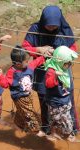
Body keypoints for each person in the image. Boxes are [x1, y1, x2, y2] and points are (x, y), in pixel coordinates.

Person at [22, 5, 78, 135]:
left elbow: (73, 49)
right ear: (44, 21)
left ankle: (72, 130)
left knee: (67, 99)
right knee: (44, 100)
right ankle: (47, 128)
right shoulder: (35, 29)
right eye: (49, 25)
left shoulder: (65, 30)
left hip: (62, 72)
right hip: (42, 72)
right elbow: (24, 48)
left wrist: (62, 56)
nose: (52, 28)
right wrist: (39, 49)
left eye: (54, 26)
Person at [0, 45, 45, 133]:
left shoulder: (28, 67)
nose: (29, 62)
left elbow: (36, 62)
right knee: (29, 114)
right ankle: (36, 131)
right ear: (18, 64)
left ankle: (18, 124)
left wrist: (44, 56)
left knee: (21, 111)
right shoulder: (12, 72)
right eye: (26, 61)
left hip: (28, 95)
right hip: (19, 97)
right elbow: (5, 84)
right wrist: (0, 76)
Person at [44, 46, 79, 142]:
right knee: (54, 119)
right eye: (67, 64)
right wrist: (55, 75)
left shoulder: (62, 67)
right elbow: (48, 84)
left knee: (67, 120)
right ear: (60, 62)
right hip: (55, 102)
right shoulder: (51, 71)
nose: (69, 66)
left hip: (64, 99)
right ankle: (56, 134)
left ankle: (67, 134)